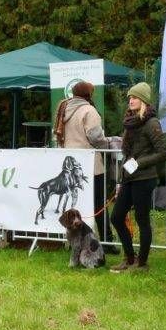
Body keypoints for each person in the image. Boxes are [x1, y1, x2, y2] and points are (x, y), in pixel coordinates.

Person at [110, 83, 166, 272]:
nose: (130, 100)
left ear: (143, 100)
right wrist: (123, 176)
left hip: (144, 177)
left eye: (134, 97)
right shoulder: (130, 121)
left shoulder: (152, 123)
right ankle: (129, 258)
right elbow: (128, 152)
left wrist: (139, 163)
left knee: (142, 220)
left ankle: (141, 263)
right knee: (116, 217)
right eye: (129, 97)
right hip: (129, 176)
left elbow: (162, 153)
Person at [53, 81, 114, 250]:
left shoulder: (64, 109)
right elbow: (96, 137)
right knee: (99, 204)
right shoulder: (89, 110)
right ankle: (107, 242)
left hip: (71, 167)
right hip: (91, 166)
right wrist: (108, 144)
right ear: (88, 94)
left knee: (76, 205)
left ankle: (76, 241)